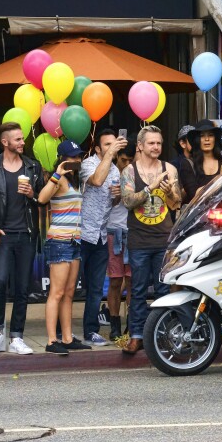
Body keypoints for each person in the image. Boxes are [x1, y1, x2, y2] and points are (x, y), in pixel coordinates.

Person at [0, 122, 44, 357]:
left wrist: (33, 195)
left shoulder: (32, 167)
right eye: (17, 139)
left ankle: (17, 336)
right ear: (5, 142)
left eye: (22, 138)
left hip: (26, 234)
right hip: (3, 235)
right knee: (1, 281)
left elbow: (42, 199)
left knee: (21, 287)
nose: (22, 142)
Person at [121, 125, 182, 354]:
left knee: (163, 290)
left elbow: (176, 203)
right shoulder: (129, 171)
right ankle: (136, 335)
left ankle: (162, 334)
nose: (156, 147)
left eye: (158, 143)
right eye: (151, 143)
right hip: (139, 239)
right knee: (137, 289)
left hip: (163, 238)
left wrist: (169, 192)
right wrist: (151, 188)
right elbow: (127, 201)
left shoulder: (170, 169)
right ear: (140, 146)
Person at [37, 141, 91, 355]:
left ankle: (67, 338)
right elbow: (41, 198)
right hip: (59, 241)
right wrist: (57, 174)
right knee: (57, 292)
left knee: (69, 292)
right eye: (72, 157)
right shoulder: (58, 180)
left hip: (74, 241)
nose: (76, 161)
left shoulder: (76, 181)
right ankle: (52, 340)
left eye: (78, 157)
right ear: (62, 159)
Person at [79, 128, 128, 347]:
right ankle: (60, 332)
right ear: (98, 148)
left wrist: (117, 198)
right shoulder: (88, 164)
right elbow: (97, 181)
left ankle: (91, 331)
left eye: (113, 144)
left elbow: (112, 203)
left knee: (97, 288)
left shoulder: (116, 171)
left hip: (100, 235)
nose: (112, 148)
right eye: (107, 145)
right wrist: (110, 156)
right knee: (68, 287)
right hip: (81, 235)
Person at [106, 143, 135, 341]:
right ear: (117, 157)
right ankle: (114, 323)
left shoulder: (139, 173)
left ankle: (132, 324)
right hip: (113, 232)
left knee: (133, 282)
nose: (127, 164)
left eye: (131, 161)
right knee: (115, 281)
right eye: (124, 160)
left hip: (134, 233)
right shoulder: (110, 173)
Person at [179, 119, 222, 204]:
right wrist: (220, 177)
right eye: (202, 136)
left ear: (215, 139)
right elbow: (194, 195)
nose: (207, 139)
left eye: (210, 135)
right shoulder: (188, 164)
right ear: (197, 140)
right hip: (198, 216)